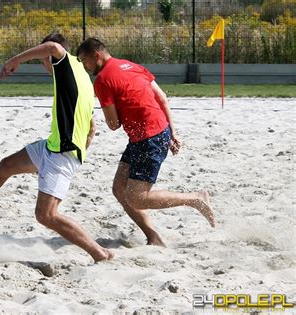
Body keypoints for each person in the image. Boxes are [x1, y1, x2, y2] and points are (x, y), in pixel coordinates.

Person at [0, 34, 114, 262]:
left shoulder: (66, 63)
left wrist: (14, 60)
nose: (43, 66)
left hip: (62, 154)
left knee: (46, 215)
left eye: (42, 61)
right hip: (53, 148)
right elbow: (91, 129)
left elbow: (52, 46)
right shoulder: (81, 76)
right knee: (6, 165)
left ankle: (100, 253)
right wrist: (78, 152)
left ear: (50, 59)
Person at [76, 38, 215, 247]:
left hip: (149, 138)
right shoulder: (132, 65)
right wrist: (172, 132)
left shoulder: (103, 80)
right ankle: (153, 237)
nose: (85, 67)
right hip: (153, 133)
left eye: (84, 61)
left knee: (137, 198)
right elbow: (162, 97)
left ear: (96, 55)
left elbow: (113, 124)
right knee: (119, 188)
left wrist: (93, 114)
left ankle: (195, 198)